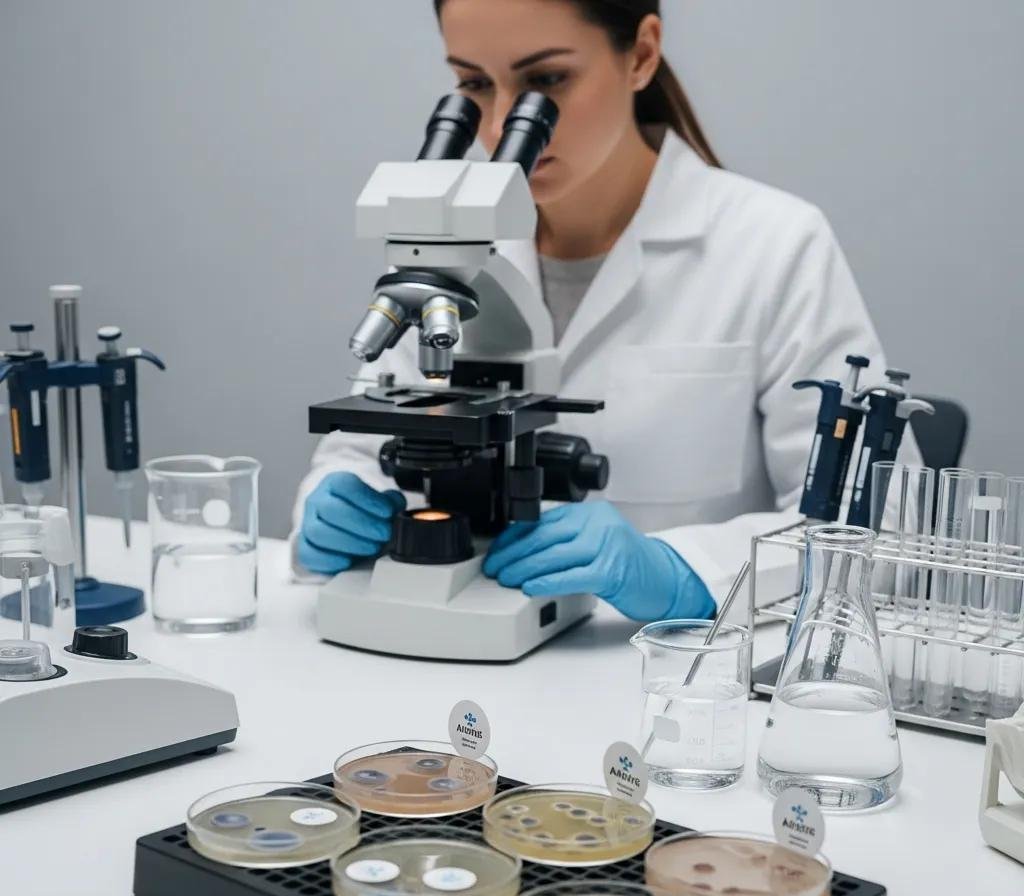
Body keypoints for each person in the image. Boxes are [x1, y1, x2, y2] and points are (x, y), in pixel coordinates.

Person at [292, 0, 918, 620]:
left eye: (546, 80)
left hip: (674, 680)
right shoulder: (457, 250)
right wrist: (335, 502)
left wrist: (684, 572)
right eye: (474, 84)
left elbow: (879, 530)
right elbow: (364, 442)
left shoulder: (775, 244)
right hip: (460, 651)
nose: (500, 120)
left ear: (641, 53)